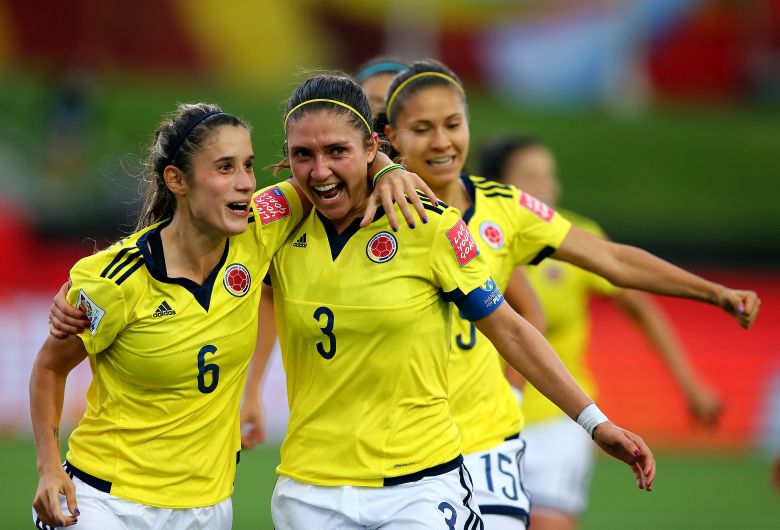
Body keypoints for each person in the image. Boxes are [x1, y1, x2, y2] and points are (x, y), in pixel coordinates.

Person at [379, 59, 759, 529]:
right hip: (400, 444)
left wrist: (712, 291)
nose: (442, 141)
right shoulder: (369, 215)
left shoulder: (506, 208)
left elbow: (612, 259)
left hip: (486, 440)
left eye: (453, 125)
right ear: (391, 137)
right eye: (422, 129)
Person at [32, 102, 437, 530]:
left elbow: (334, 169)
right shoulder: (115, 279)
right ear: (176, 179)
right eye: (225, 168)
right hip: (106, 501)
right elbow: (48, 367)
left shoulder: (259, 229)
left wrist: (388, 168)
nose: (245, 184)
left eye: (248, 166)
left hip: (209, 510)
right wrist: (49, 467)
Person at [478, 133, 724, 530]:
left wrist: (689, 382)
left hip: (557, 422)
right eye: (530, 176)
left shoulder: (574, 235)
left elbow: (638, 305)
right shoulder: (469, 236)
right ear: (496, 186)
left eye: (549, 175)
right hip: (480, 420)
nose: (546, 187)